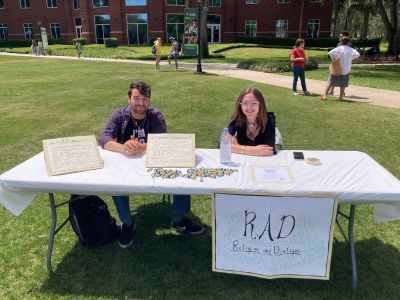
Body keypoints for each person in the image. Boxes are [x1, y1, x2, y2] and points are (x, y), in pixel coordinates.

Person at [99, 81, 204, 248]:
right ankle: (127, 223)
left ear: (149, 100)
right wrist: (123, 147)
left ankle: (178, 219)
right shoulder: (118, 115)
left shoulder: (156, 116)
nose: (141, 103)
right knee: (115, 182)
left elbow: (165, 142)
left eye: (145, 99)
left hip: (153, 162)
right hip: (126, 163)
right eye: (137, 98)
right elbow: (104, 139)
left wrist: (143, 147)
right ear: (129, 99)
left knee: (181, 170)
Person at [227, 88, 276, 156]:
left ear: (260, 104)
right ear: (240, 105)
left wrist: (237, 147)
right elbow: (223, 145)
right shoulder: (237, 118)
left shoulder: (269, 119)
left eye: (253, 103)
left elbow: (269, 150)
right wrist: (255, 150)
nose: (249, 107)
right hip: (241, 163)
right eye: (245, 103)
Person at [320, 36, 360, 101]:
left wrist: (334, 58)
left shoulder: (339, 48)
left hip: (337, 68)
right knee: (343, 83)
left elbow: (330, 53)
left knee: (330, 81)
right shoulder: (351, 49)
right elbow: (358, 54)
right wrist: (351, 58)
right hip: (346, 69)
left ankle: (325, 95)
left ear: (341, 42)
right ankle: (340, 96)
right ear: (348, 42)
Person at [328, 31, 353, 96]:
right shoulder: (339, 44)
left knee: (343, 78)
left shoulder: (349, 44)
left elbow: (349, 54)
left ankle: (342, 93)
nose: (339, 37)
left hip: (344, 65)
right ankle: (331, 91)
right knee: (334, 76)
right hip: (337, 63)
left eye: (340, 36)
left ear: (345, 37)